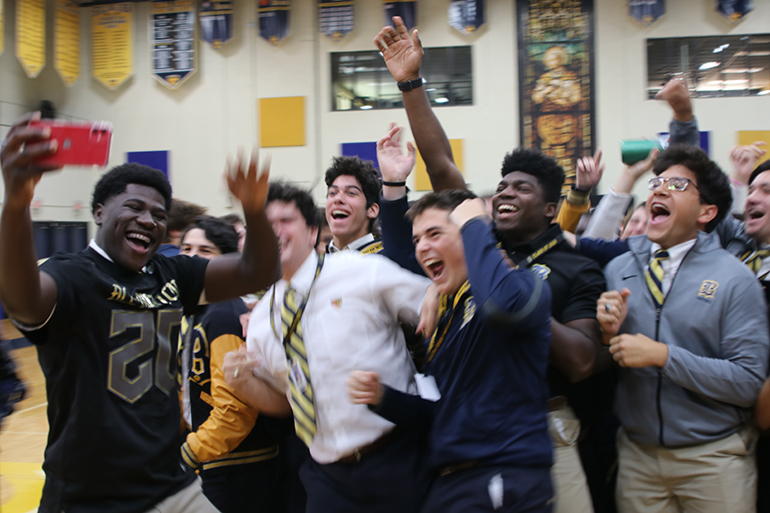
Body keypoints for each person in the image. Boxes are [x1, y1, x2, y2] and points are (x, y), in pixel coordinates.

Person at [374, 17, 606, 513]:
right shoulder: (470, 253)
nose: (504, 192)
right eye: (501, 185)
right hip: (466, 431)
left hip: (542, 431)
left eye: (522, 188)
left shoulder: (572, 266)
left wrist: (512, 298)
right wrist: (410, 84)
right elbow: (439, 165)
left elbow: (583, 362)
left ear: (551, 209)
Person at [0, 112, 280, 513]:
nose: (148, 220)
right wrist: (16, 200)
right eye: (134, 207)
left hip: (172, 486)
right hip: (91, 498)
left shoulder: (171, 273)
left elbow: (259, 270)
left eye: (160, 215)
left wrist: (255, 208)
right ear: (99, 212)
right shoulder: (72, 274)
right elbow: (23, 300)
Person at [223, 183, 432, 513]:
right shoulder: (261, 319)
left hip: (395, 456)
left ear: (312, 231)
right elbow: (286, 400)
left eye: (285, 220)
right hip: (326, 474)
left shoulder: (360, 271)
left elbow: (432, 307)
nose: (273, 232)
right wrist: (243, 384)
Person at [349, 189, 555, 513]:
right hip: (454, 480)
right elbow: (441, 411)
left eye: (434, 233)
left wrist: (475, 224)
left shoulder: (525, 285)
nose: (422, 247)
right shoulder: (447, 312)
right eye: (418, 239)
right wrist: (383, 398)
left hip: (502, 473)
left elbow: (500, 305)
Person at [597, 144, 769, 513]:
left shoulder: (735, 279)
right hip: (638, 457)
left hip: (713, 459)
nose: (658, 189)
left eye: (677, 184)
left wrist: (665, 357)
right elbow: (611, 363)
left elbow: (748, 382)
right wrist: (607, 335)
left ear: (706, 212)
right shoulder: (619, 269)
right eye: (657, 181)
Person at [178, 216, 285, 513]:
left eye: (204, 250)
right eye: (185, 248)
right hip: (216, 460)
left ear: (226, 262)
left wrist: (188, 452)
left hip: (237, 467)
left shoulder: (223, 313)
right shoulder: (196, 311)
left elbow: (235, 412)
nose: (191, 257)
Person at [324, 156, 383, 254]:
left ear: (372, 210)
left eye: (351, 193)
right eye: (333, 193)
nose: (338, 199)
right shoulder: (313, 264)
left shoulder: (388, 261)